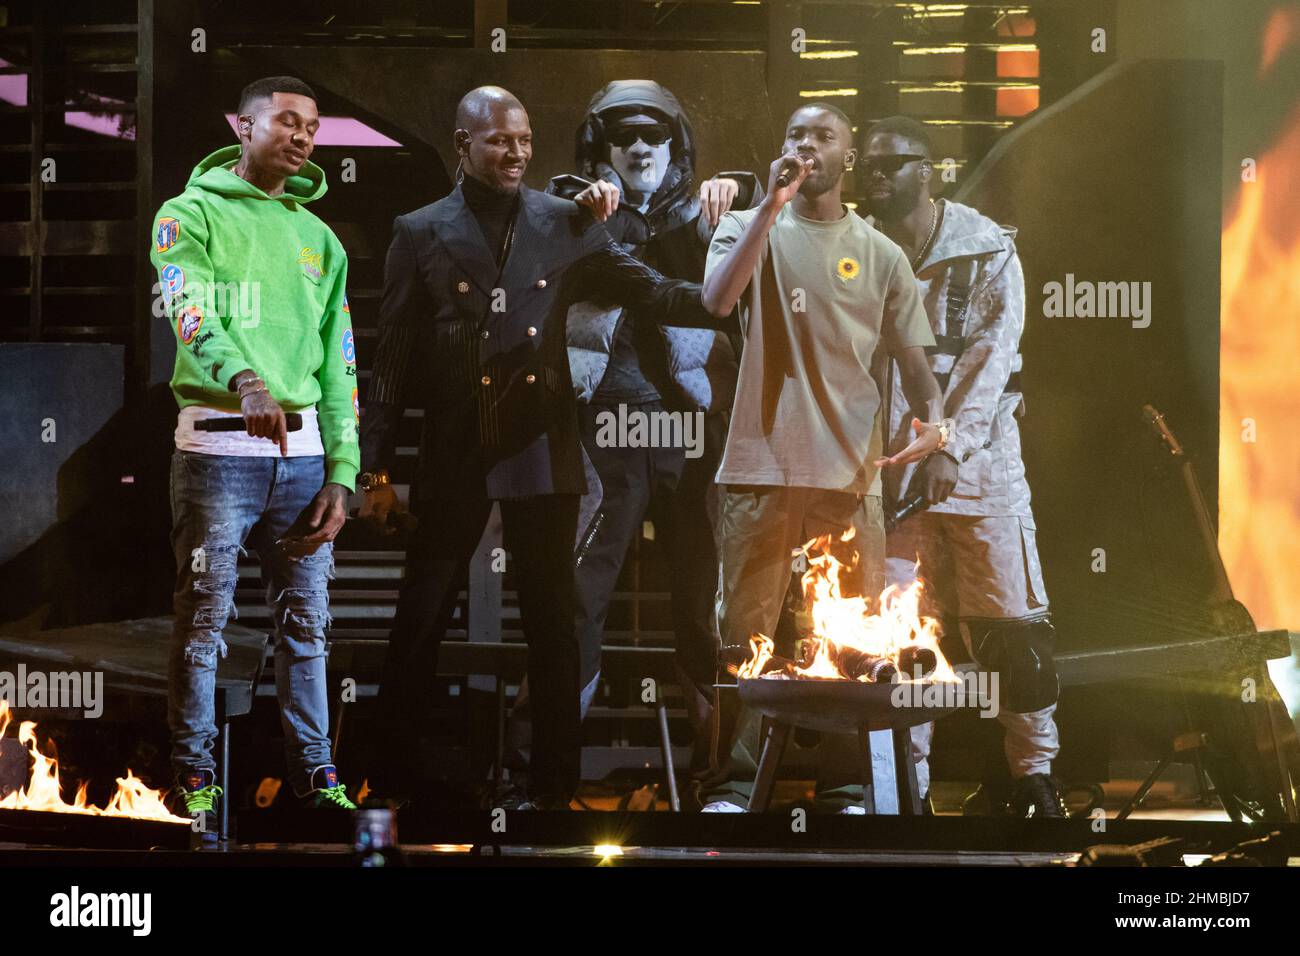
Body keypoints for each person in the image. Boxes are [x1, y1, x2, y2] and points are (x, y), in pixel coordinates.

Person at [358, 86, 715, 810]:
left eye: (523, 140)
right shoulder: (420, 230)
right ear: (463, 145)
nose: (516, 152)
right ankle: (390, 785)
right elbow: (390, 363)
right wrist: (373, 470)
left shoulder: (565, 221)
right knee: (420, 618)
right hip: (455, 449)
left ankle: (553, 792)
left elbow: (651, 290)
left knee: (553, 625)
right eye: (499, 141)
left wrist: (718, 297)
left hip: (540, 448)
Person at [494, 80, 761, 796]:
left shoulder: (711, 213)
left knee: (704, 604)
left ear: (677, 145)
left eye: (653, 135)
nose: (640, 147)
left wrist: (742, 186)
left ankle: (725, 782)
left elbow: (775, 225)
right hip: (601, 429)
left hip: (689, 430)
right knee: (575, 600)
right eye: (623, 137)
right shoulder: (568, 210)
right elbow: (524, 219)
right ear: (600, 146)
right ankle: (536, 777)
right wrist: (579, 201)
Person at [697, 102, 951, 812]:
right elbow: (718, 302)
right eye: (796, 135)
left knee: (852, 638)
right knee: (743, 637)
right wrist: (769, 206)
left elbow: (918, 368)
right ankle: (735, 783)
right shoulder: (746, 227)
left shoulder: (881, 254)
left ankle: (845, 783)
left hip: (849, 475)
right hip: (760, 466)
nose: (807, 146)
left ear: (847, 160)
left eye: (823, 137)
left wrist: (939, 430)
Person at [151, 76, 360, 830]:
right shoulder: (187, 214)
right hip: (217, 450)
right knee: (204, 618)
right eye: (287, 121)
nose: (302, 136)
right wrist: (245, 380)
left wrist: (344, 470)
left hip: (302, 461)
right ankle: (194, 776)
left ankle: (316, 777)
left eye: (312, 127)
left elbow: (340, 363)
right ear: (243, 126)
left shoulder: (321, 239)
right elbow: (188, 307)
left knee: (308, 624)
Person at [863, 115, 1067, 818]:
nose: (875, 176)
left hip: (979, 471)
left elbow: (990, 361)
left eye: (891, 163)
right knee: (899, 634)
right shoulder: (858, 247)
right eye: (869, 165)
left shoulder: (986, 248)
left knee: (1014, 630)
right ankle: (906, 787)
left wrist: (949, 446)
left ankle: (1033, 779)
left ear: (928, 170)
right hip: (892, 471)